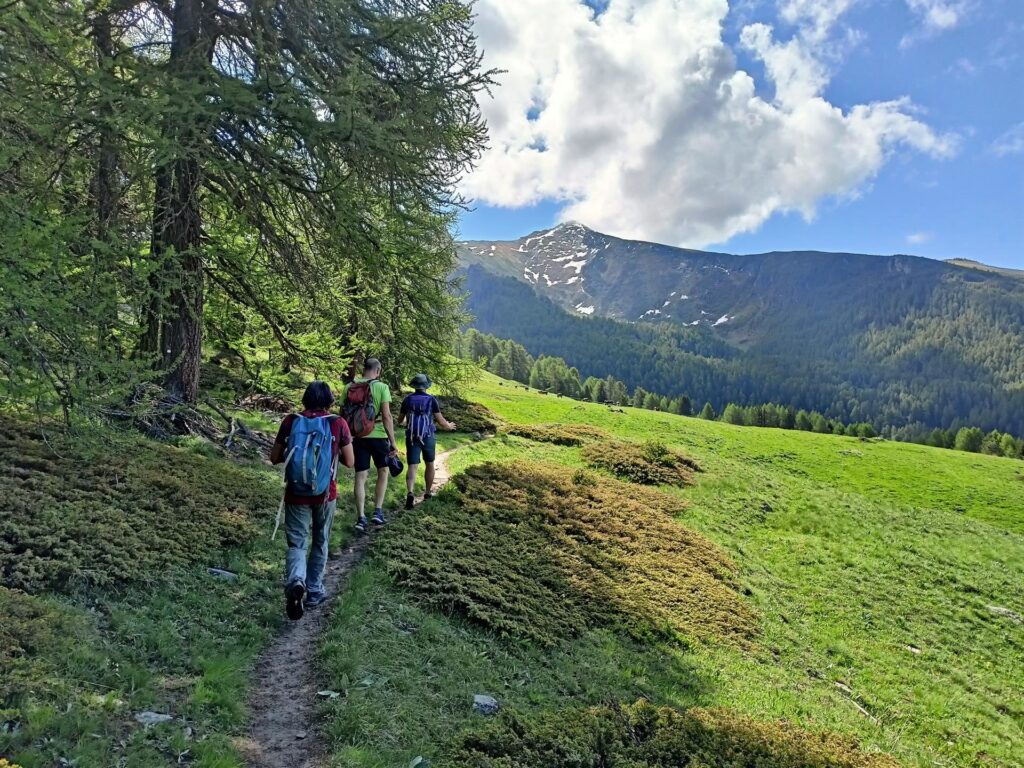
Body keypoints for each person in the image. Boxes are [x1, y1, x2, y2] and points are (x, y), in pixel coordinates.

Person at [270, 381, 354, 621]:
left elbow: (274, 457)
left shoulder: (291, 421)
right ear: (329, 400)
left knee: (297, 543)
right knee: (321, 539)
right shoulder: (337, 423)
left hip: (296, 493)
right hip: (326, 494)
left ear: (305, 398)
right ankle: (314, 590)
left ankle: (296, 580)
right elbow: (350, 462)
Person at [341, 358, 397, 533]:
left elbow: (342, 415)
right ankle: (378, 512)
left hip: (358, 437)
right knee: (383, 471)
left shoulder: (349, 387)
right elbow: (387, 416)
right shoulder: (382, 387)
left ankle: (361, 517)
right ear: (378, 370)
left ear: (363, 369)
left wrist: (346, 438)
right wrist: (393, 442)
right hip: (379, 436)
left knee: (361, 476)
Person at [398, 373, 456, 510]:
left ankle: (410, 492)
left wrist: (406, 421)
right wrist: (450, 426)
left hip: (412, 437)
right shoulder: (431, 400)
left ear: (414, 386)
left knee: (412, 465)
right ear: (426, 386)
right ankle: (428, 493)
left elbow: (400, 420)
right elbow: (441, 421)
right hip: (428, 436)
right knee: (429, 464)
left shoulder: (407, 400)